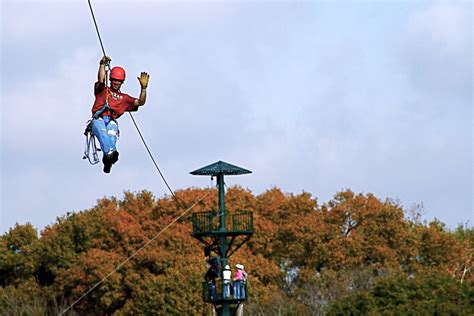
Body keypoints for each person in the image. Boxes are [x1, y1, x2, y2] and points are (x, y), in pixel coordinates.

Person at [91, 56, 149, 173]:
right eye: (114, 80)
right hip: (99, 119)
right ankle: (111, 153)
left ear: (122, 82)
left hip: (112, 120)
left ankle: (108, 158)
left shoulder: (124, 98)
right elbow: (101, 79)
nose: (116, 82)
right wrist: (102, 64)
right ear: (111, 79)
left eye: (119, 81)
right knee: (103, 133)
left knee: (112, 135)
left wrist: (143, 88)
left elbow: (140, 102)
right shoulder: (103, 90)